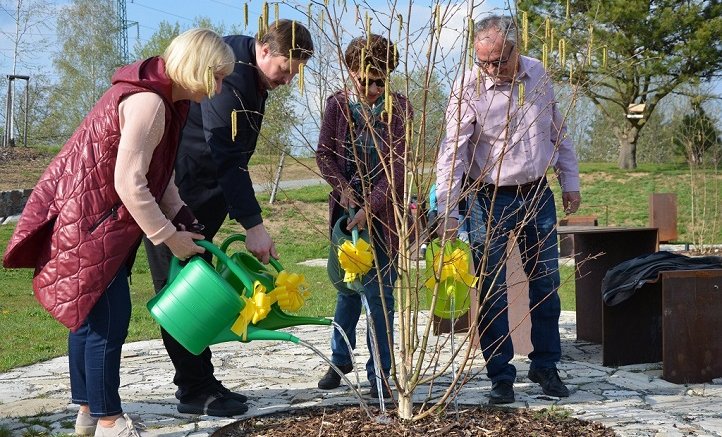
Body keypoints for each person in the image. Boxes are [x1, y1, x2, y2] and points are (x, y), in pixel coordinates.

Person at [2, 29, 234, 436]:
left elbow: (158, 177)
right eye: (216, 76)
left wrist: (182, 215)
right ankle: (110, 420)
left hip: (95, 221)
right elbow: (129, 183)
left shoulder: (160, 99)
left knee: (87, 319)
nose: (217, 89)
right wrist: (168, 236)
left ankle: (89, 413)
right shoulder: (149, 104)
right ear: (197, 68)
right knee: (108, 321)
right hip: (94, 225)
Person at [142, 19, 314, 417]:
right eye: (285, 69)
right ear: (265, 49)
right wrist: (254, 225)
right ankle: (193, 390)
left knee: (198, 283)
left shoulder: (253, 72)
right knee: (184, 293)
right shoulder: (231, 74)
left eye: (294, 73)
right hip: (176, 195)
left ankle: (201, 380)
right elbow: (227, 156)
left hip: (200, 197)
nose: (287, 80)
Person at [435, 15, 581, 405]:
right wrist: (448, 208)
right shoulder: (467, 86)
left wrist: (570, 180)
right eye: (482, 61)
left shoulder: (538, 74)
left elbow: (557, 130)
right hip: (488, 198)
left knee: (546, 283)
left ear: (516, 50)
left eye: (498, 61)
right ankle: (501, 375)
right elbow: (454, 149)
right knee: (493, 291)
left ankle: (546, 365)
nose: (490, 69)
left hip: (537, 194)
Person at [315, 34, 412, 398]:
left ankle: (380, 375)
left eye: (380, 81)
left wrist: (372, 205)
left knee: (380, 295)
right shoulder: (337, 106)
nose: (372, 88)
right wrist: (343, 188)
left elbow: (398, 167)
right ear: (351, 71)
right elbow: (324, 154)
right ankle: (340, 356)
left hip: (384, 218)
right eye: (364, 79)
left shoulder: (399, 109)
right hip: (346, 213)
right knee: (347, 288)